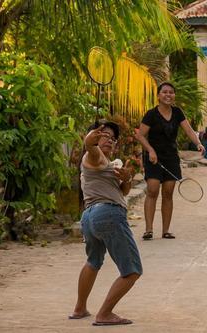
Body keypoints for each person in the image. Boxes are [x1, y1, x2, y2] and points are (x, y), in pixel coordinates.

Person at [70, 120, 142, 326]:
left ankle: (80, 308)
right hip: (108, 214)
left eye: (112, 138)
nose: (109, 140)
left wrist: (127, 178)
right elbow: (89, 146)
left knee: (93, 262)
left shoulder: (107, 164)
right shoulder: (94, 156)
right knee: (132, 270)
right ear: (94, 136)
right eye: (104, 135)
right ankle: (105, 313)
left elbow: (122, 192)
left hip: (90, 216)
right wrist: (90, 141)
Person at [136, 82, 205, 240]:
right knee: (152, 190)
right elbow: (139, 135)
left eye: (171, 92)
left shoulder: (177, 112)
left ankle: (166, 230)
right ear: (158, 95)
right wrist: (150, 150)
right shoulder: (151, 114)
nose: (168, 95)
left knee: (168, 193)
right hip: (153, 159)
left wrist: (198, 143)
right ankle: (148, 230)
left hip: (171, 158)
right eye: (165, 92)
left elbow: (188, 130)